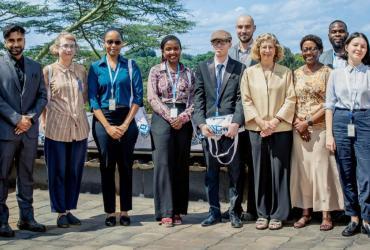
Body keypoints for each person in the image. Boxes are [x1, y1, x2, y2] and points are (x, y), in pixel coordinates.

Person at [88, 28, 143, 227]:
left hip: (126, 117)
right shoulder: (95, 67)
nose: (113, 46)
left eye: (117, 42)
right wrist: (108, 127)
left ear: (122, 44)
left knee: (125, 166)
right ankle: (110, 212)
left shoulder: (130, 65)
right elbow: (92, 100)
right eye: (109, 42)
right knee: (107, 167)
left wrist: (125, 124)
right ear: (104, 43)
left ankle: (125, 211)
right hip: (103, 119)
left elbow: (138, 98)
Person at [240, 33, 296, 230]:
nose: (267, 50)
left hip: (280, 128)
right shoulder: (249, 72)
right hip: (256, 129)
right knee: (259, 170)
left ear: (276, 49)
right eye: (263, 47)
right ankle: (262, 213)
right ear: (258, 49)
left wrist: (274, 121)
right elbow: (245, 99)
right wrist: (260, 122)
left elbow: (291, 99)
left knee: (280, 171)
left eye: (270, 47)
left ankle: (279, 214)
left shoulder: (286, 72)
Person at [290, 35, 344, 231]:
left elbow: (331, 102)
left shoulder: (328, 73)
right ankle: (305, 212)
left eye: (313, 48)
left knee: (322, 171)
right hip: (299, 131)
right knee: (303, 172)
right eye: (305, 49)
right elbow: (291, 100)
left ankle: (326, 214)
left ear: (320, 50)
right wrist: (298, 123)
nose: (308, 52)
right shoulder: (295, 73)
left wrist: (309, 122)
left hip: (320, 129)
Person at [193, 30, 245, 228]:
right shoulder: (202, 68)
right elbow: (198, 99)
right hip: (209, 131)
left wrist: (236, 123)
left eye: (222, 42)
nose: (219, 45)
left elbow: (241, 99)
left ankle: (234, 212)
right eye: (215, 41)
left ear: (230, 43)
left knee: (235, 173)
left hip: (231, 131)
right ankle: (213, 212)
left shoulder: (239, 68)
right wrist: (201, 124)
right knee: (211, 174)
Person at [0, 24, 48, 237]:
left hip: (28, 132)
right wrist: (16, 119)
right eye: (12, 40)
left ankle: (26, 218)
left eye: (19, 40)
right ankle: (1, 221)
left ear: (25, 41)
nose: (16, 45)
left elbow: (42, 96)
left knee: (26, 176)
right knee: (1, 177)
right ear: (5, 42)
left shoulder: (36, 67)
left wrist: (29, 118)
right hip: (5, 132)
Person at [41, 32, 89, 228]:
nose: (68, 49)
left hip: (79, 128)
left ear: (75, 49)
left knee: (74, 171)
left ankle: (69, 209)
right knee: (57, 171)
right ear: (57, 48)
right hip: (56, 128)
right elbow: (43, 100)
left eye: (71, 46)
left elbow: (84, 98)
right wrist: (44, 122)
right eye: (64, 46)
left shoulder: (81, 70)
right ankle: (60, 212)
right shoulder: (49, 71)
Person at [325, 32, 370, 237]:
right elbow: (329, 106)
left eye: (363, 46)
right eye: (355, 45)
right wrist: (329, 135)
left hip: (365, 119)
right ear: (347, 48)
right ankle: (353, 217)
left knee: (366, 172)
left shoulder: (369, 72)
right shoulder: (335, 73)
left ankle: (367, 218)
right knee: (346, 170)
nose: (359, 48)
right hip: (341, 120)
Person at [147, 35, 194, 227]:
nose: (172, 52)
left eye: (175, 49)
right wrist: (169, 116)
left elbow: (194, 100)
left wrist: (182, 118)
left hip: (183, 119)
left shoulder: (189, 72)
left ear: (180, 50)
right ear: (163, 52)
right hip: (161, 119)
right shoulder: (155, 71)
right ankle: (165, 211)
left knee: (181, 163)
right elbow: (152, 97)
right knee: (163, 164)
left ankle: (178, 210)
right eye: (168, 49)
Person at [225, 15, 258, 222]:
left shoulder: (261, 50)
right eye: (239, 27)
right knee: (235, 168)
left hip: (256, 120)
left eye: (247, 27)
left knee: (255, 167)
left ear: (254, 28)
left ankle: (254, 209)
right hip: (234, 121)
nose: (243, 30)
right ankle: (234, 209)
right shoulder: (230, 52)